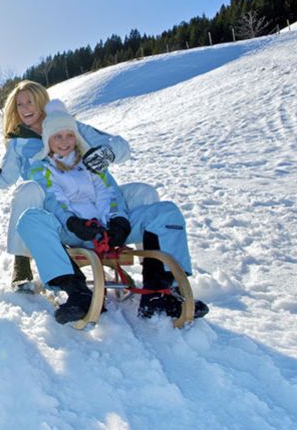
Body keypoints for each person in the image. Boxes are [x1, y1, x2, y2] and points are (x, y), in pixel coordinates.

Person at [15, 100, 209, 324]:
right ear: (47, 140)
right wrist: (74, 222)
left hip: (108, 229)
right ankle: (78, 293)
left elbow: (110, 194)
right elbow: (53, 199)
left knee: (167, 212)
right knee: (30, 220)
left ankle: (159, 294)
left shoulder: (91, 163)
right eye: (57, 136)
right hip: (73, 230)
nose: (65, 142)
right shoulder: (41, 167)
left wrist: (119, 221)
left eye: (69, 135)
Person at [0, 80, 159, 291]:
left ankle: (154, 267)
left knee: (145, 193)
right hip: (55, 209)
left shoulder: (69, 126)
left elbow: (121, 146)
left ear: (42, 102)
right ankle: (22, 261)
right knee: (28, 190)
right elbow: (3, 179)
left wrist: (107, 153)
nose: (25, 108)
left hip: (95, 202)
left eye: (30, 102)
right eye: (20, 104)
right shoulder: (18, 144)